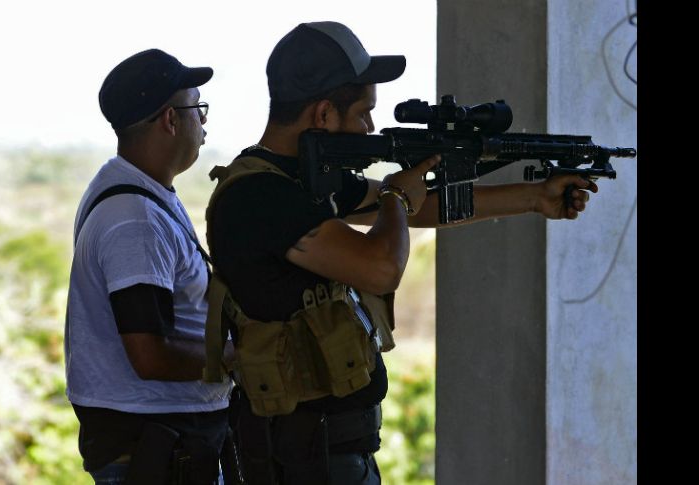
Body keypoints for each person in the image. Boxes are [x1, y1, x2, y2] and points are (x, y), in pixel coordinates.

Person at [204, 22, 597, 485]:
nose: (370, 127)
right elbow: (381, 266)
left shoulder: (301, 180)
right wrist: (396, 195)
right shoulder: (259, 195)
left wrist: (534, 197)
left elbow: (420, 206)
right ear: (324, 114)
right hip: (298, 454)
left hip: (330, 448)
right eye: (364, 113)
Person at [64, 48, 233, 485]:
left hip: (166, 442)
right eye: (198, 108)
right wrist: (243, 358)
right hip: (155, 451)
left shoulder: (138, 192)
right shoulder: (134, 219)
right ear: (170, 120)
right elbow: (149, 354)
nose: (205, 123)